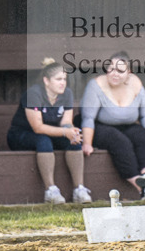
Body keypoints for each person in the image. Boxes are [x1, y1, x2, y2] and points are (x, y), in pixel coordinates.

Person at [80, 52, 145, 201]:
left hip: (127, 125)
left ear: (129, 73)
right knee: (120, 140)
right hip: (99, 126)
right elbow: (88, 118)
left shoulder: (136, 85)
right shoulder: (96, 85)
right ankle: (141, 186)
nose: (114, 74)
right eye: (111, 69)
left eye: (120, 71)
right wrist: (87, 144)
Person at [7, 58, 92, 204]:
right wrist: (65, 132)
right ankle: (50, 191)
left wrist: (71, 131)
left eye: (64, 79)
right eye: (58, 79)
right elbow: (37, 127)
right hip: (21, 134)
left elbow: (65, 122)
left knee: (74, 141)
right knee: (43, 141)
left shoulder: (67, 94)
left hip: (51, 133)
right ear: (46, 81)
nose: (63, 83)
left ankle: (79, 189)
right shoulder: (34, 94)